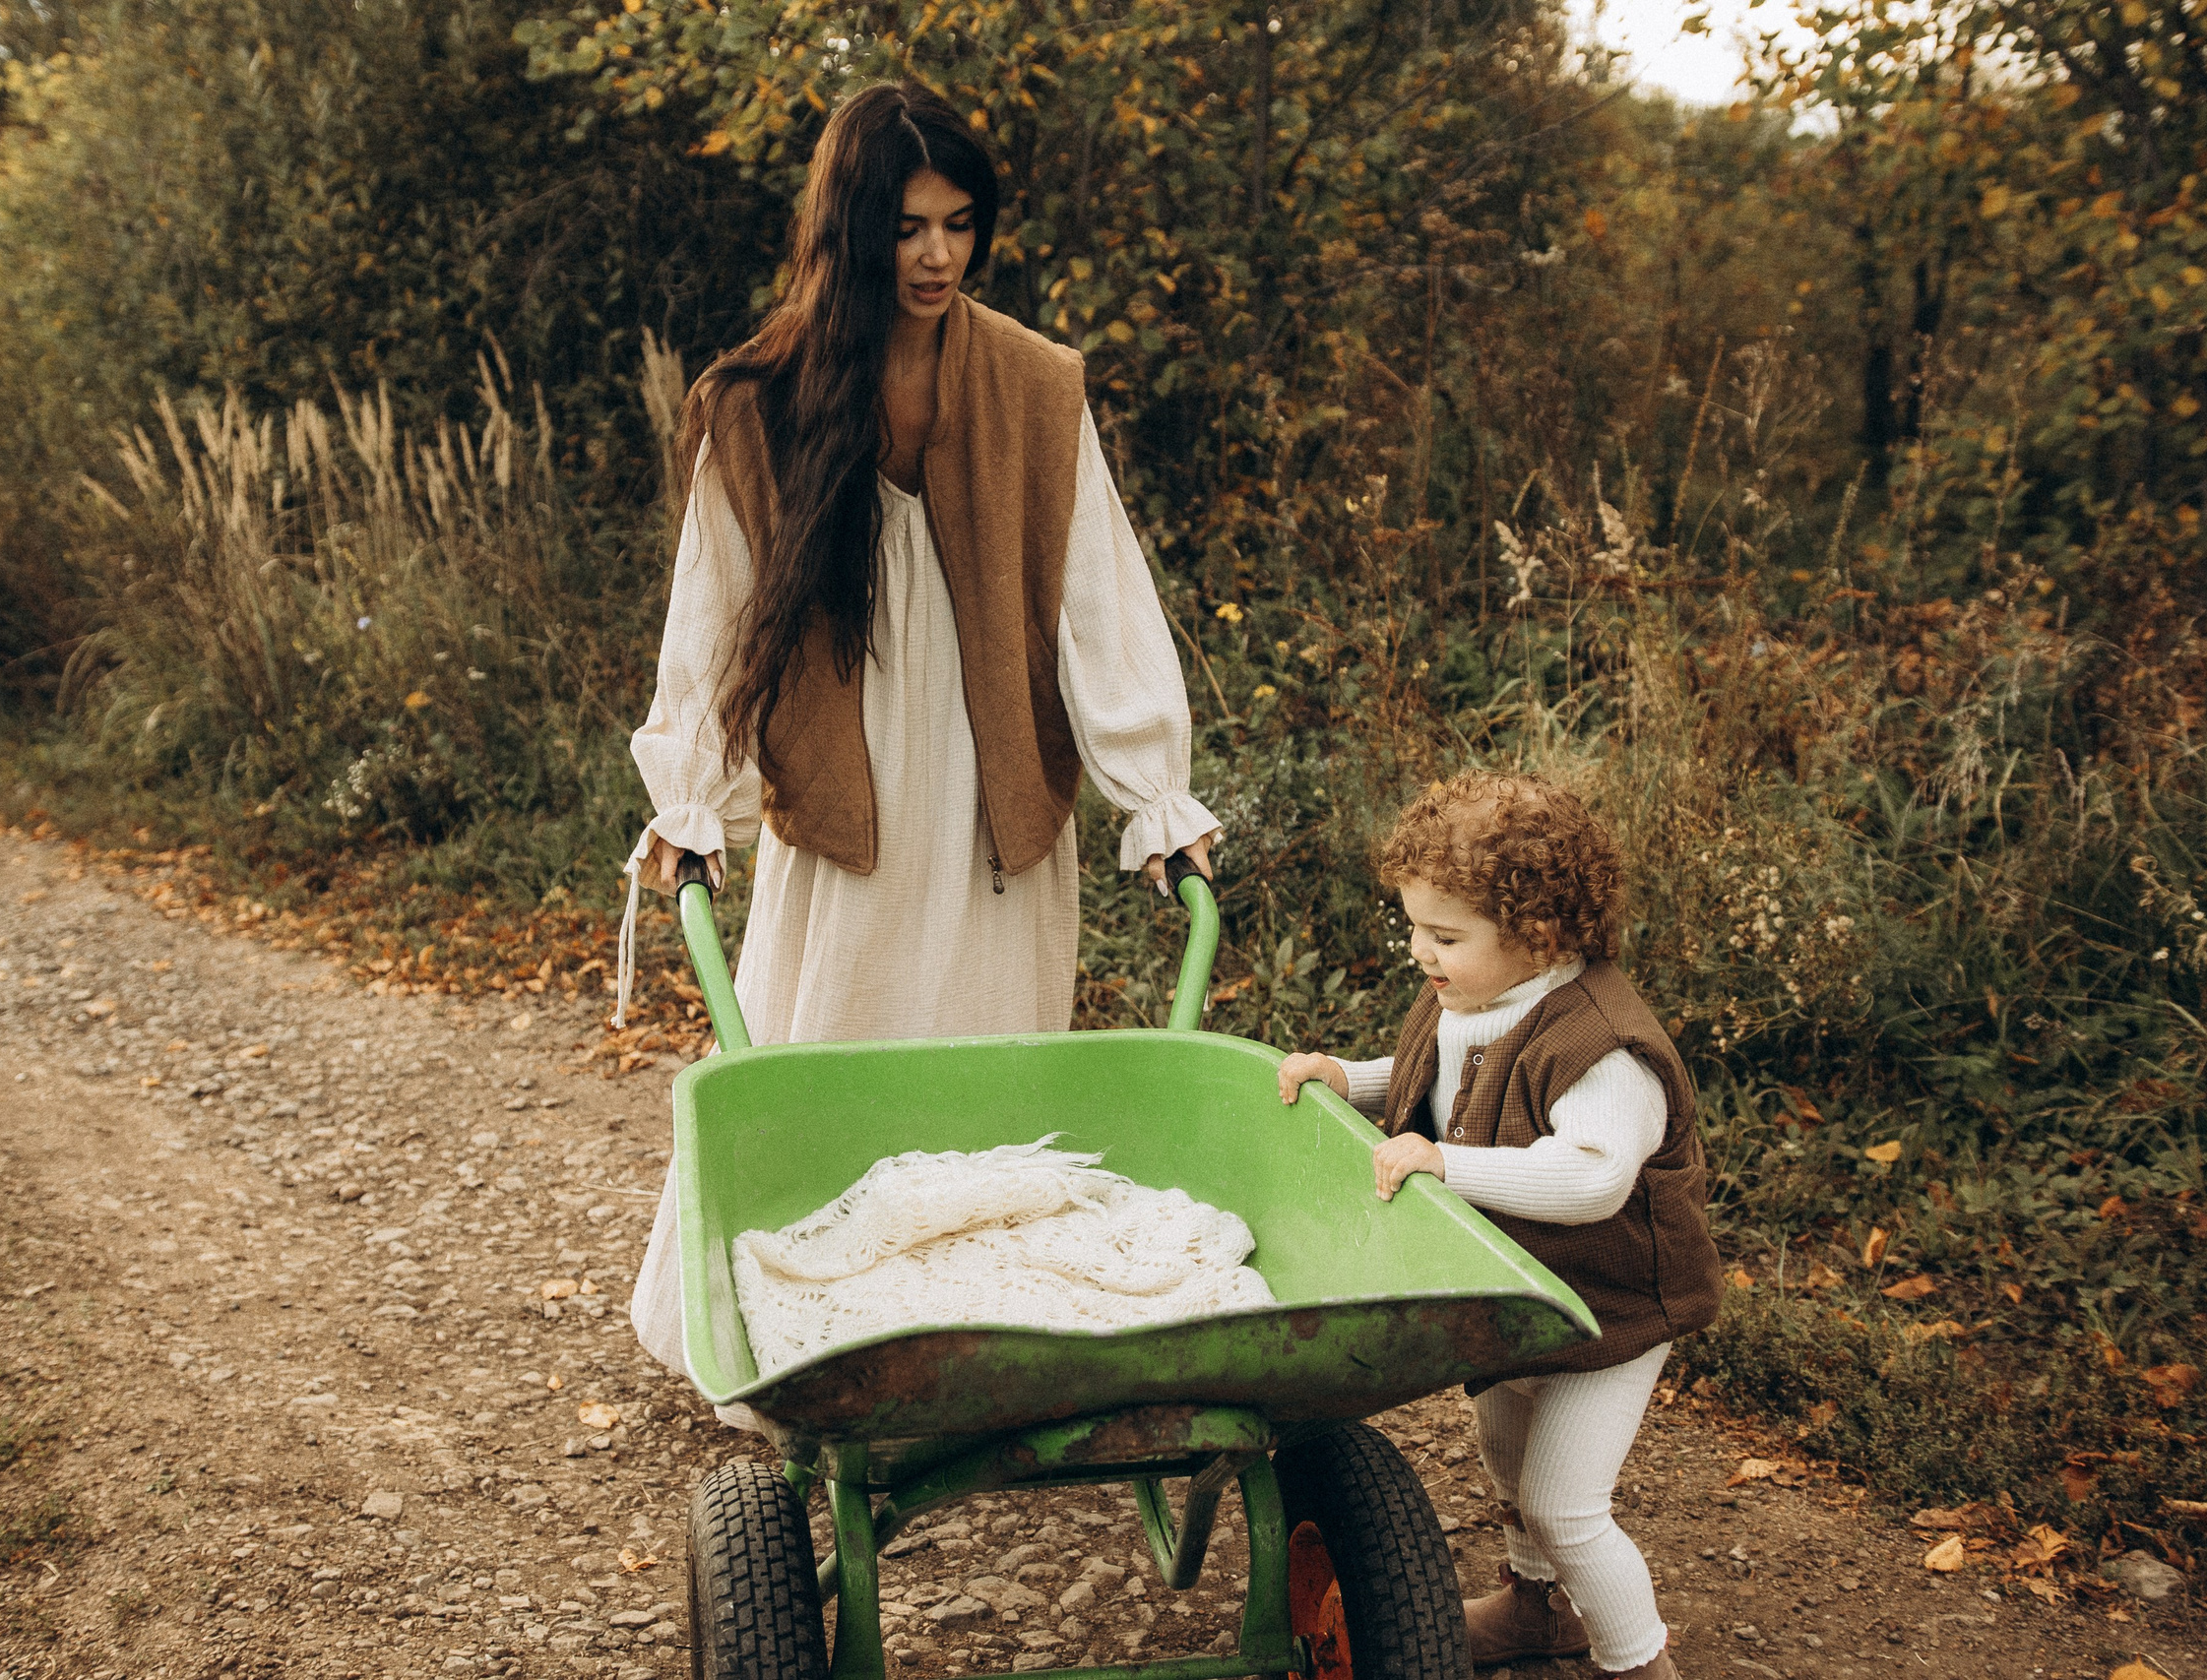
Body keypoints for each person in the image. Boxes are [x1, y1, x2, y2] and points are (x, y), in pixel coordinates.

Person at [621, 82, 1220, 1396]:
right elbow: (715, 617)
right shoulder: (760, 398)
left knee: (988, 1047)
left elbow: (1097, 597)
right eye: (906, 226)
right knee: (820, 1040)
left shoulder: (1032, 384)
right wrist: (692, 798)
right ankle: (799, 1338)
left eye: (960, 223)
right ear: (849, 231)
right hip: (851, 776)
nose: (938, 254)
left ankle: (976, 1346)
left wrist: (1152, 792)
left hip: (994, 768)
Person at [1275, 771, 1719, 1680]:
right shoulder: (1474, 997)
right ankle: (1535, 1611)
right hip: (1527, 1288)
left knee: (1566, 1504)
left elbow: (1591, 1179)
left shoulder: (1603, 1049)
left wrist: (1447, 1165)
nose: (1418, 951)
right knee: (1507, 1454)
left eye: (1443, 935)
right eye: (1413, 926)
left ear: (1539, 937)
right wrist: (1347, 1082)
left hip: (1612, 1306)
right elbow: (1445, 1085)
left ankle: (1642, 1666)